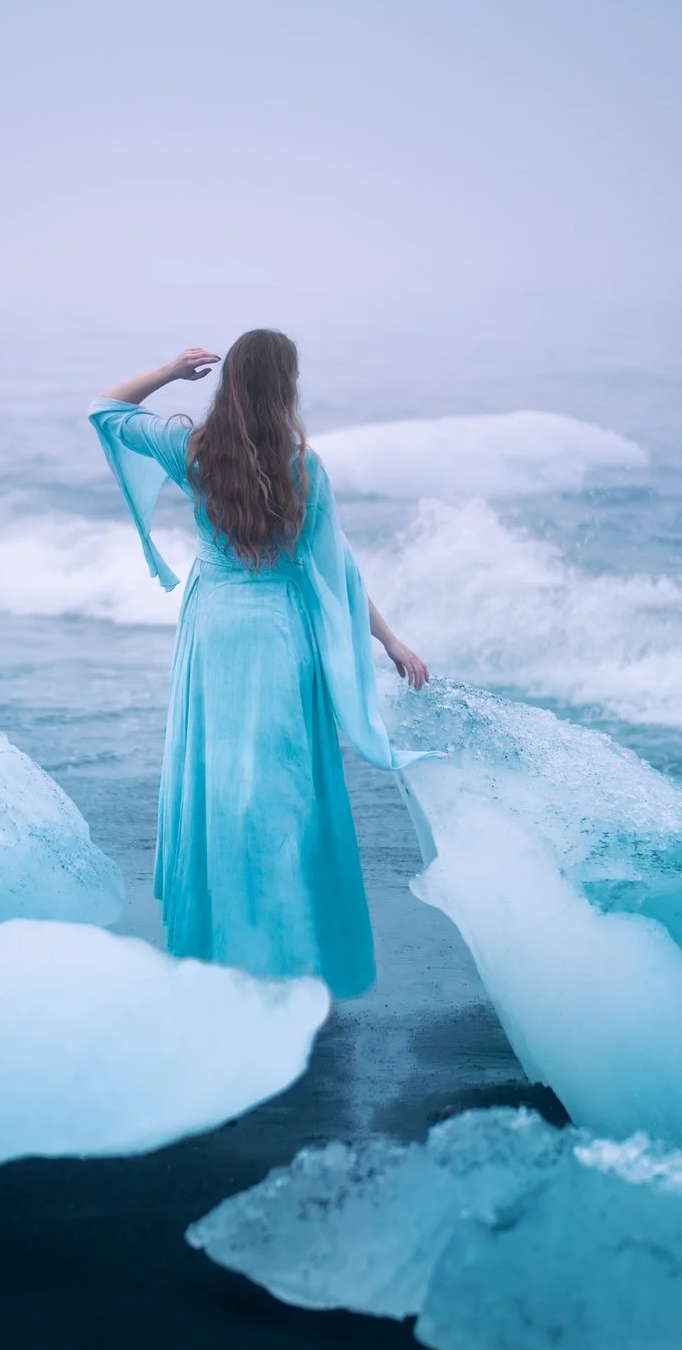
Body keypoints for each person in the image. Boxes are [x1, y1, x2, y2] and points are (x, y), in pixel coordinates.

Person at [90, 329, 430, 997]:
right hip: (280, 634)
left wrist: (169, 370)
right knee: (282, 789)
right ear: (287, 387)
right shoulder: (305, 466)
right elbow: (339, 574)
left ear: (230, 383)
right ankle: (285, 943)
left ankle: (226, 942)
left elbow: (104, 409)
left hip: (215, 630)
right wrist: (389, 641)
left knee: (222, 785)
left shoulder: (191, 449)